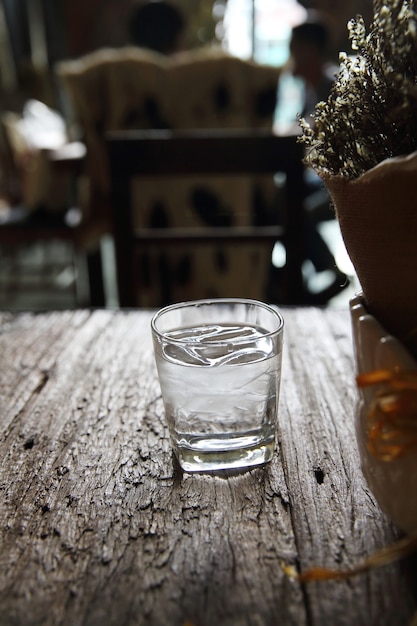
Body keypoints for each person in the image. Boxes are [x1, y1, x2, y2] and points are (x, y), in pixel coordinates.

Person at [289, 13, 349, 303]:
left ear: (308, 51)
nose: (291, 59)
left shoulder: (332, 86)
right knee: (284, 198)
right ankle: (299, 275)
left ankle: (328, 274)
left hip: (344, 181)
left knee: (297, 211)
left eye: (294, 50)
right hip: (322, 178)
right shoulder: (311, 90)